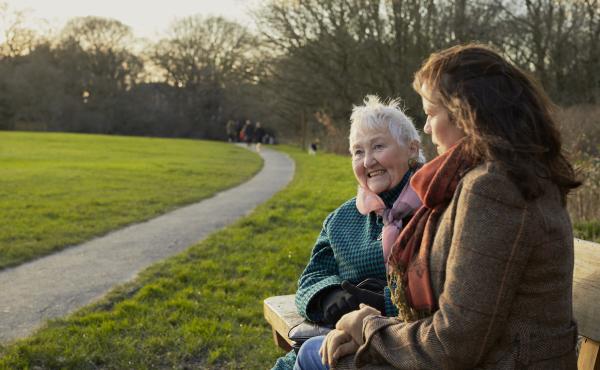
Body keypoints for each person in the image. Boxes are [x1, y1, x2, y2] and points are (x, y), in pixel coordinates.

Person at [296, 43, 581, 370]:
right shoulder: (508, 175)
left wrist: (368, 329)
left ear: (465, 113)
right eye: (358, 151)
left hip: (497, 361)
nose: (428, 128)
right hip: (491, 355)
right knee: (317, 350)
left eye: (431, 114)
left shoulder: (494, 187)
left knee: (313, 356)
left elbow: (453, 343)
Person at [272, 95, 424, 370]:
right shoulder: (342, 219)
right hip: (339, 337)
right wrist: (329, 296)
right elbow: (311, 278)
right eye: (358, 152)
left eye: (378, 146)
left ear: (412, 149)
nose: (367, 162)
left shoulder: (435, 210)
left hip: (411, 345)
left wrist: (381, 305)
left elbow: (444, 292)